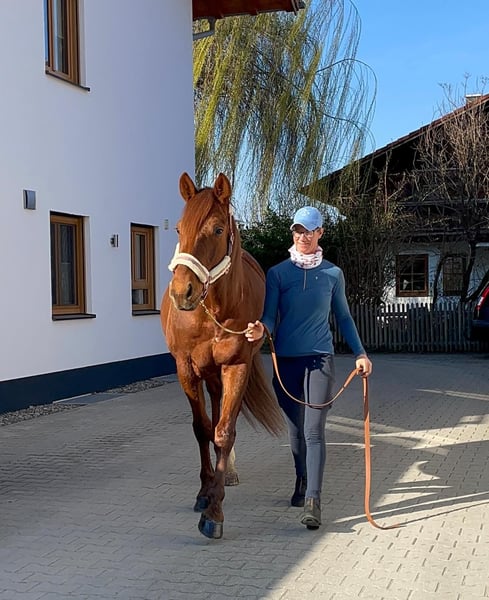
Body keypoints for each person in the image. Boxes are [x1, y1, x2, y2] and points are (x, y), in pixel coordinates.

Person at [245, 206, 372, 530]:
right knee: (296, 431)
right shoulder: (278, 274)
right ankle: (301, 478)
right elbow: (270, 316)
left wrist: (360, 353)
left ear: (320, 233)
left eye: (309, 231)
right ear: (293, 233)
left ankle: (314, 501)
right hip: (286, 361)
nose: (303, 236)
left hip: (320, 360)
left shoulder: (332, 274)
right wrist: (261, 329)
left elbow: (343, 317)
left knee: (314, 430)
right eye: (298, 230)